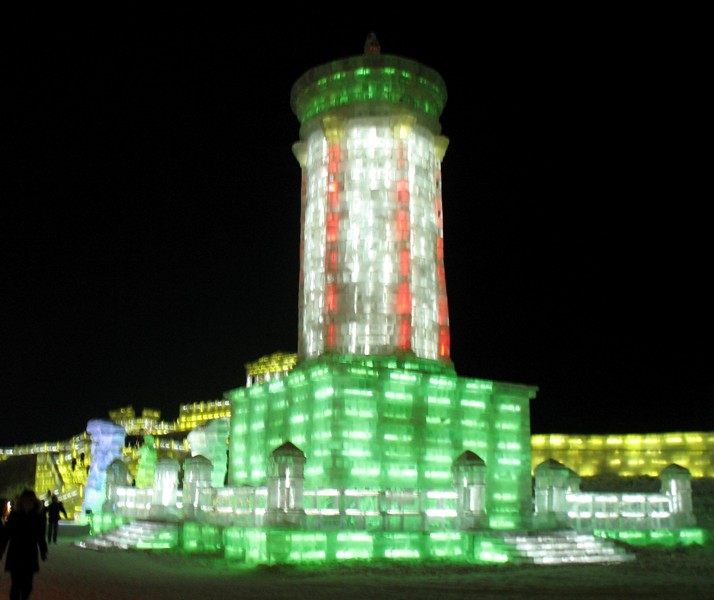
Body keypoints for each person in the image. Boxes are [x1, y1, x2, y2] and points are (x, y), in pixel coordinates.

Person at [0, 489, 48, 600]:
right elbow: (6, 534)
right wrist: (1, 550)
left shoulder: (37, 516)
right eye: (25, 501)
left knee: (28, 586)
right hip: (15, 553)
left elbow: (40, 535)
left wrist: (43, 550)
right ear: (21, 502)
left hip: (30, 554)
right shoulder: (15, 515)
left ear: (34, 502)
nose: (27, 504)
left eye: (30, 501)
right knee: (16, 585)